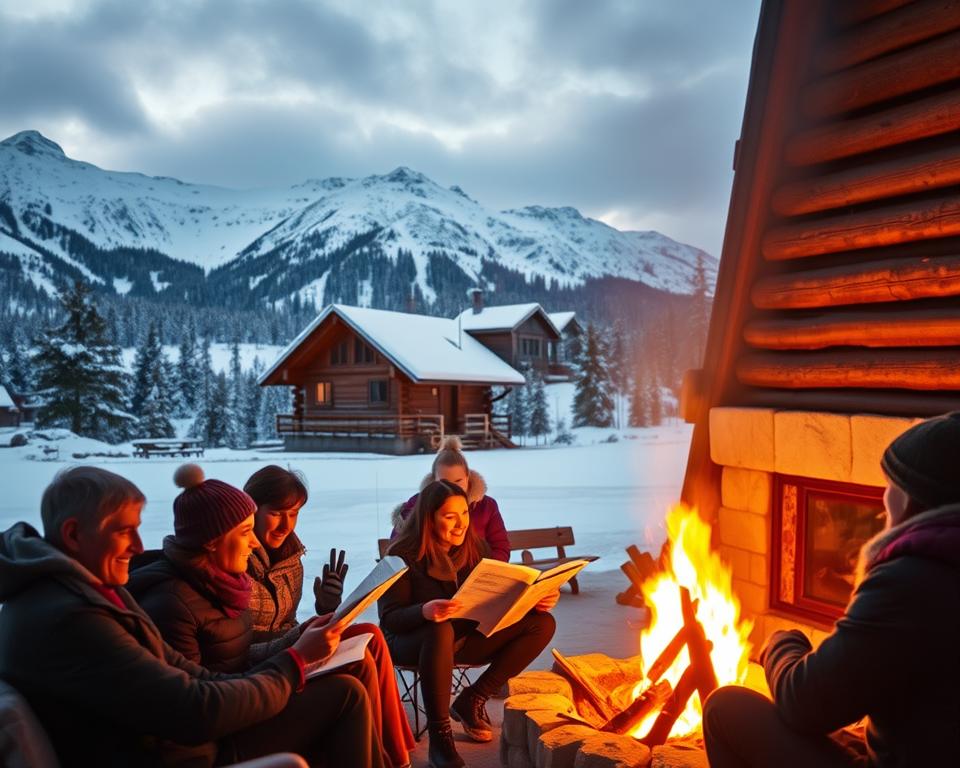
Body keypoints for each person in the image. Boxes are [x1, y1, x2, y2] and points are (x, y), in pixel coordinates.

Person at [0, 466, 385, 768]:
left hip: (176, 739)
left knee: (346, 685)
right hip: (175, 754)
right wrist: (294, 662)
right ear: (72, 534)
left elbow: (191, 675)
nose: (138, 546)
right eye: (124, 532)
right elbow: (196, 710)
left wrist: (293, 653)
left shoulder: (84, 593)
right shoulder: (74, 615)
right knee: (343, 697)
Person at [703, 411, 960, 768]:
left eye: (891, 485)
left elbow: (801, 703)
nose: (884, 499)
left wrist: (780, 642)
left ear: (915, 499)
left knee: (725, 707)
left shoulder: (912, 580)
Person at [242, 464, 415, 768]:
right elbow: (239, 648)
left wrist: (326, 610)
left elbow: (286, 623)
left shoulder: (290, 559)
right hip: (267, 665)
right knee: (359, 663)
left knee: (369, 635)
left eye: (293, 514)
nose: (286, 525)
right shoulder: (236, 561)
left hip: (289, 647)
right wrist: (301, 638)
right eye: (276, 513)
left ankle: (397, 755)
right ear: (251, 509)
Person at [380, 480, 558, 768]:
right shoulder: (401, 554)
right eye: (450, 516)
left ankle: (473, 697)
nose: (461, 523)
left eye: (464, 513)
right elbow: (390, 618)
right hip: (412, 642)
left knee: (541, 623)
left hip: (461, 637)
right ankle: (440, 738)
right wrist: (424, 611)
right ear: (429, 518)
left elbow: (499, 593)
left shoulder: (475, 547)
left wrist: (533, 599)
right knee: (439, 629)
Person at [392, 435, 510, 561]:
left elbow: (500, 547)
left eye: (458, 481)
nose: (452, 487)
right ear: (433, 480)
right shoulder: (417, 504)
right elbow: (399, 545)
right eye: (444, 482)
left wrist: (486, 573)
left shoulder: (486, 506)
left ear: (468, 477)